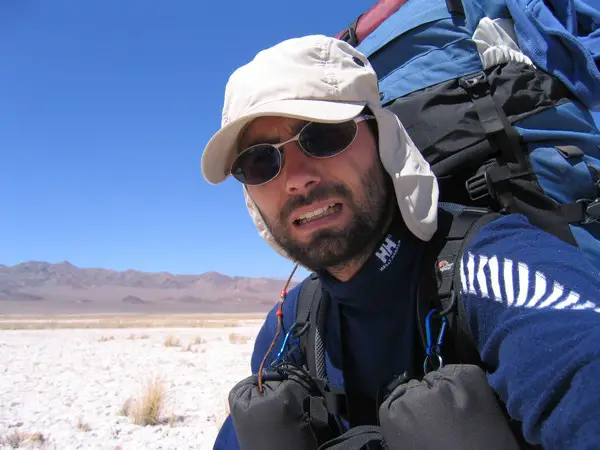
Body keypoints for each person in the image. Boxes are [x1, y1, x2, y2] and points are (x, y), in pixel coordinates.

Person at [201, 34, 600, 449]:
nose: (296, 177)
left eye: (322, 136)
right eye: (259, 161)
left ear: (383, 139)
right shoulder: (287, 326)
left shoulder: (496, 270)